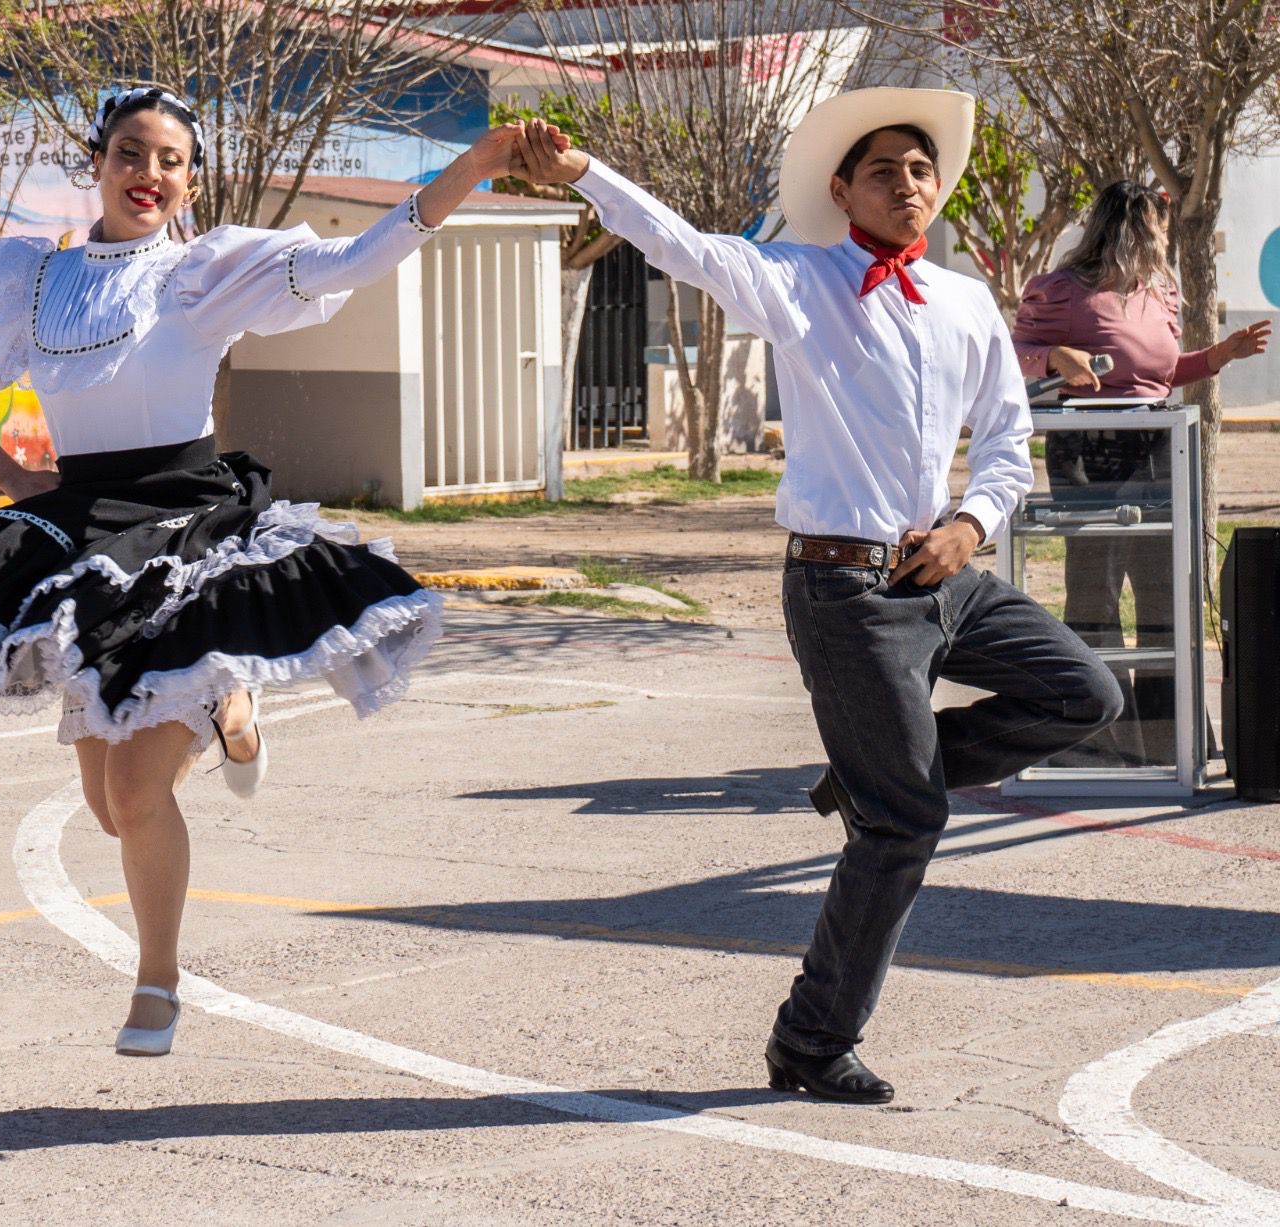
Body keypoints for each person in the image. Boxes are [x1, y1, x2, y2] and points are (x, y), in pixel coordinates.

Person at [0, 86, 524, 1056]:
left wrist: (473, 168)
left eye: (171, 160)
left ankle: (158, 981)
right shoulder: (29, 280)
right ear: (98, 162)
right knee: (109, 810)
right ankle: (229, 706)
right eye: (131, 153)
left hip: (186, 527)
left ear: (190, 179)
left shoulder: (201, 272)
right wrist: (7, 470)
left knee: (138, 792)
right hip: (78, 533)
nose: (149, 174)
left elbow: (356, 258)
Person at [513, 90, 1123, 1103]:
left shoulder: (966, 302)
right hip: (844, 589)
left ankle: (874, 776)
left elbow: (1007, 443)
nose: (907, 184)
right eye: (883, 171)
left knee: (1085, 694)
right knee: (904, 827)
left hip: (943, 572)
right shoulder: (798, 281)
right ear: (842, 192)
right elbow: (682, 246)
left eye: (921, 169)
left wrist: (971, 525)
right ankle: (810, 1040)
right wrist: (583, 174)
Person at [1013, 182, 1271, 765]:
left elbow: (1158, 375)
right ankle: (1099, 741)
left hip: (1158, 446)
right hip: (1090, 451)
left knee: (1163, 592)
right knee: (1095, 591)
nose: (1165, 239)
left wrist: (1218, 356)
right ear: (1130, 229)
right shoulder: (1062, 291)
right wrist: (1053, 356)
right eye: (1159, 227)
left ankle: (1166, 743)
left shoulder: (1161, 292)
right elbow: (1013, 351)